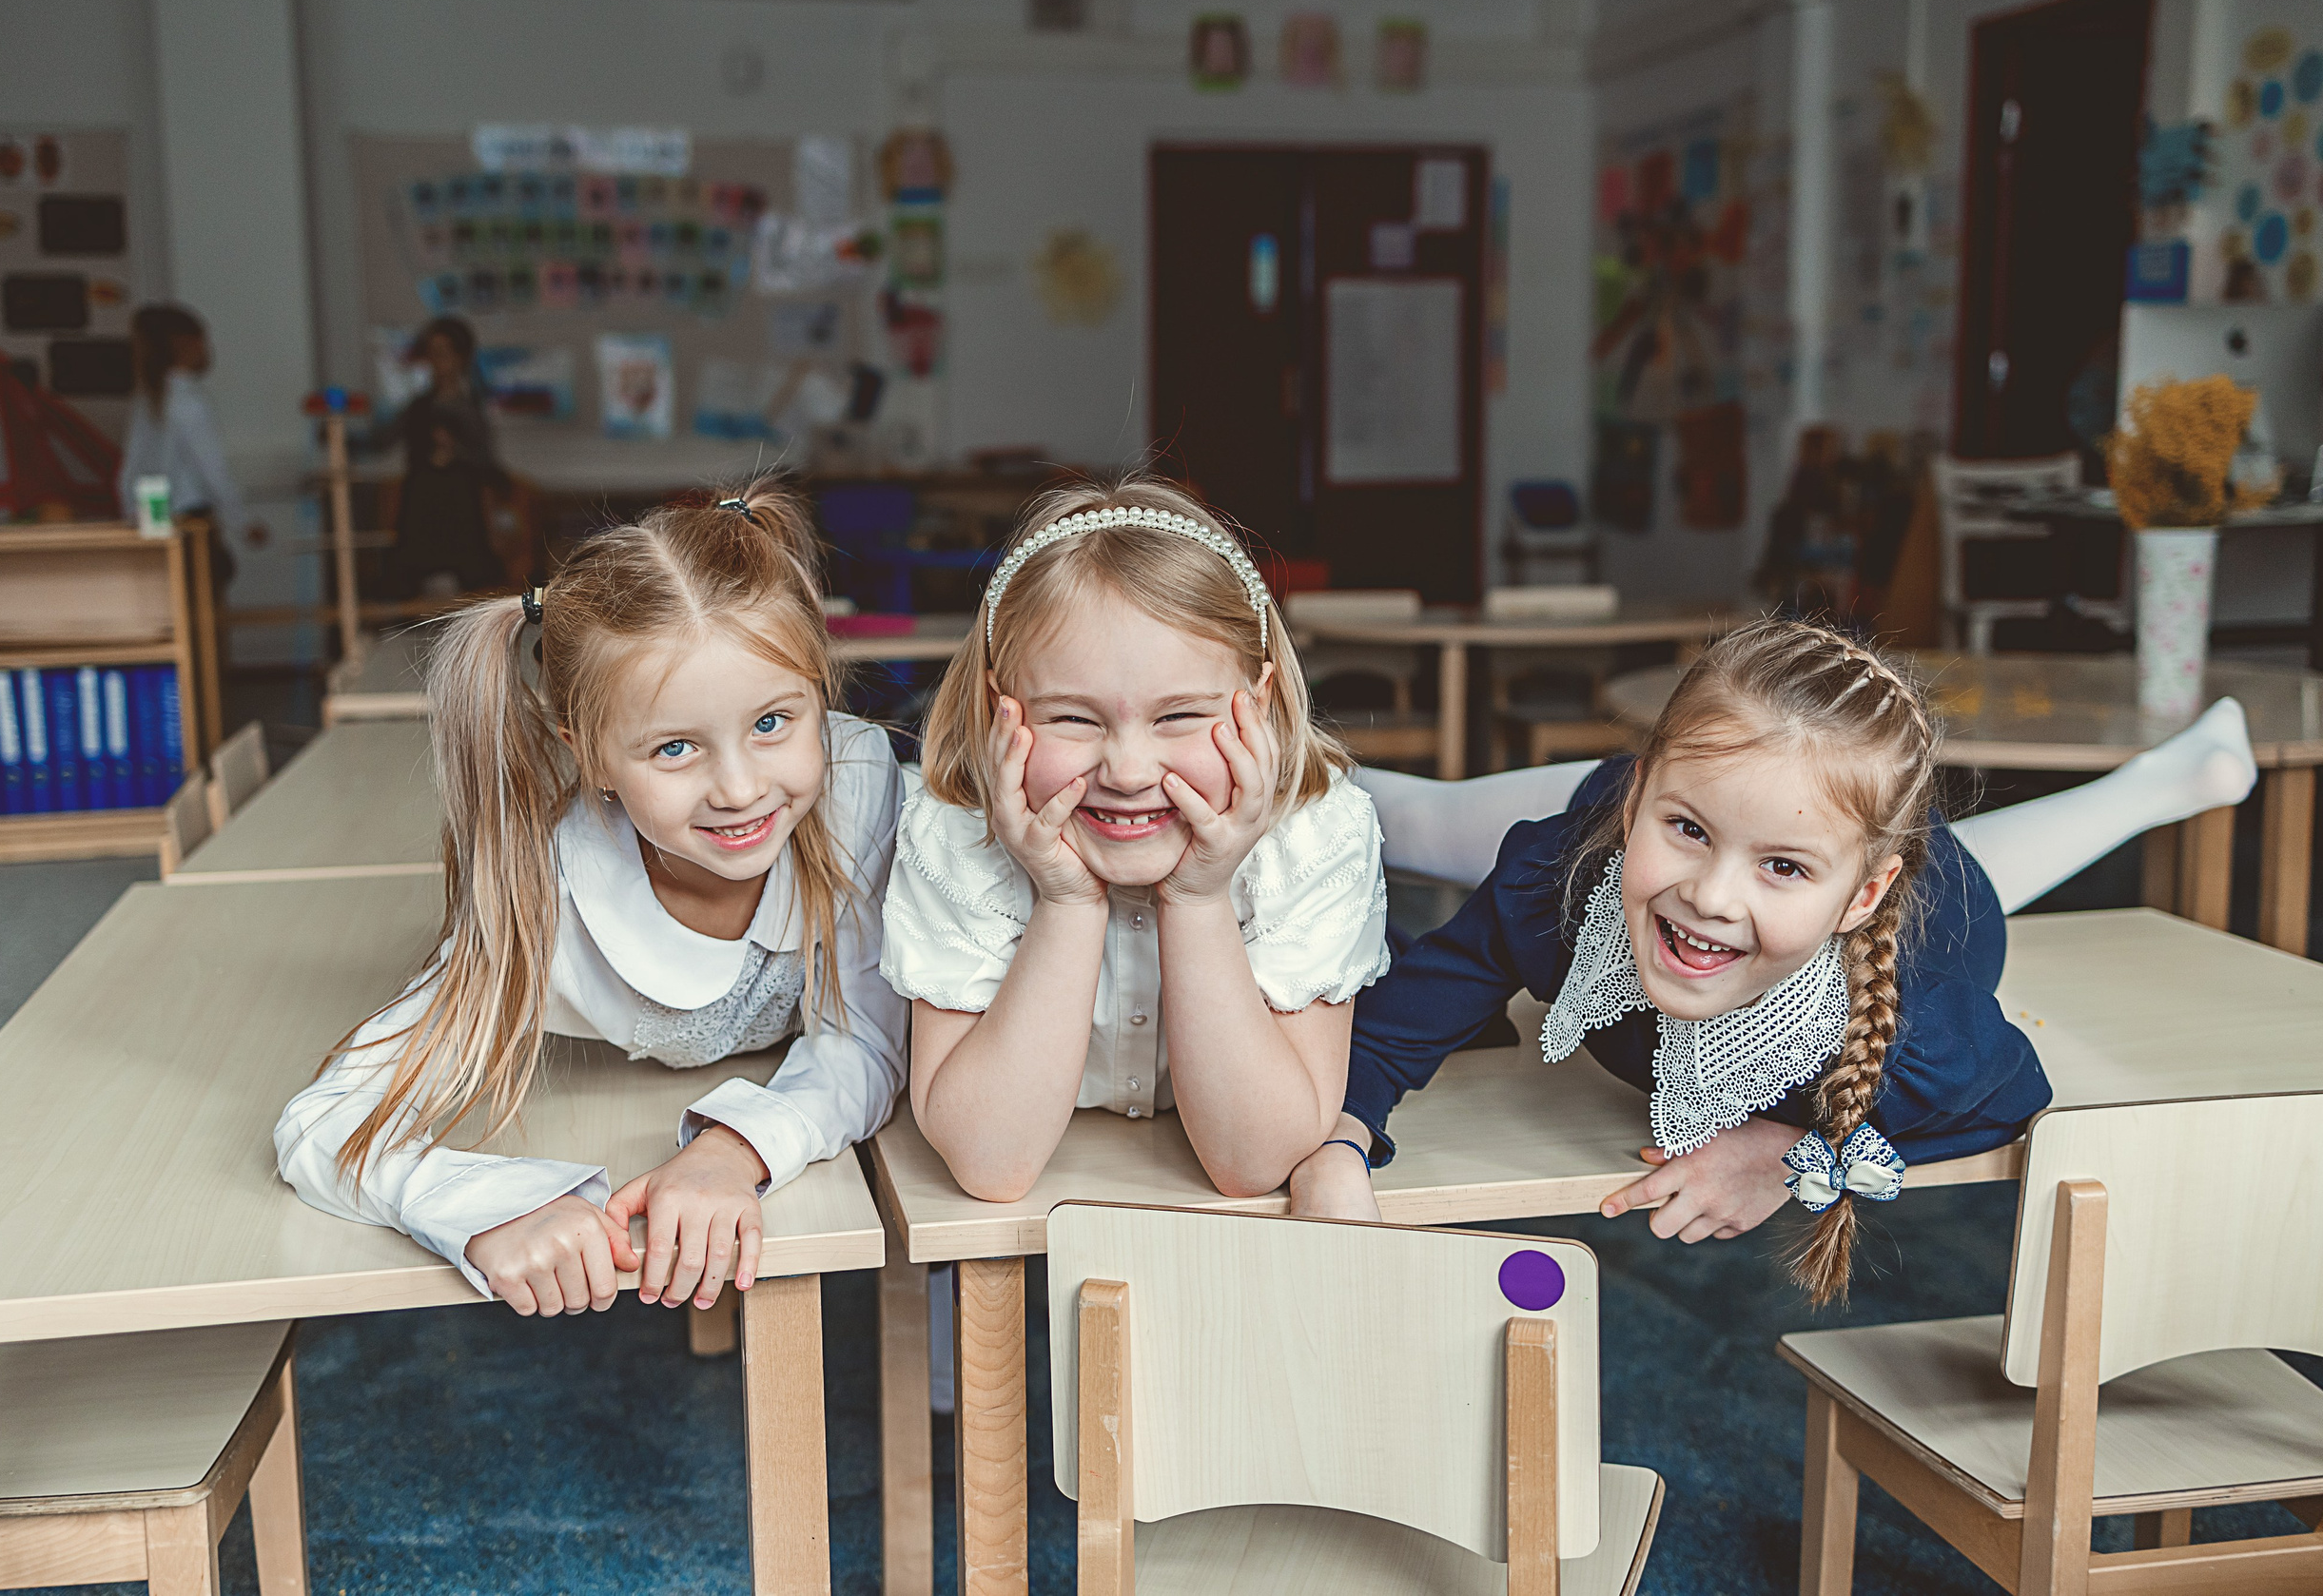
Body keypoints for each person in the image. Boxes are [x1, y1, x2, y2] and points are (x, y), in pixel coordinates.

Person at [1292, 617, 2258, 1302]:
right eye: (1683, 829)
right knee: (1393, 816)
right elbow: (1394, 1032)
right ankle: (1285, 757)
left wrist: (1791, 1155)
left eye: (1782, 868)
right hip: (1631, 816)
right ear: (1640, 805)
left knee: (1990, 866)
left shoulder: (1912, 1031)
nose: (1713, 897)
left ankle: (2161, 782)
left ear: (1861, 899)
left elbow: (2014, 1096)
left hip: (1930, 906)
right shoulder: (1564, 870)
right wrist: (1339, 1145)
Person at [275, 484, 907, 1319]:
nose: (742, 787)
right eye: (675, 746)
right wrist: (482, 1204)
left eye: (773, 722)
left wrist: (733, 1149)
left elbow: (864, 1037)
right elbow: (319, 1124)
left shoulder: (856, 784)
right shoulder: (545, 886)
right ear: (591, 756)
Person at [880, 478, 1388, 1203]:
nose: (1127, 771)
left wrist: (1200, 897)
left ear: (1261, 703)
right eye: (1073, 720)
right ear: (1000, 710)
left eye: (1179, 716)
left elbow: (1253, 1161)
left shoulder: (1315, 835)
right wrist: (1066, 901)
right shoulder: (956, 833)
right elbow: (992, 1163)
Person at [373, 316, 512, 599]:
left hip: (461, 515)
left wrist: (456, 451)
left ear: (460, 358)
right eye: (432, 354)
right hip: (422, 511)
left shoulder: (469, 411)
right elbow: (382, 440)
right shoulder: (418, 408)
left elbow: (488, 467)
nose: (437, 362)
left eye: (444, 354)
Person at [117, 302, 239, 592]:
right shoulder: (188, 404)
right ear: (189, 344)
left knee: (172, 603)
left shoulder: (147, 402)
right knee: (202, 608)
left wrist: (147, 524)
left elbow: (133, 475)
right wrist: (242, 521)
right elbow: (212, 470)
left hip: (154, 518)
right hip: (191, 521)